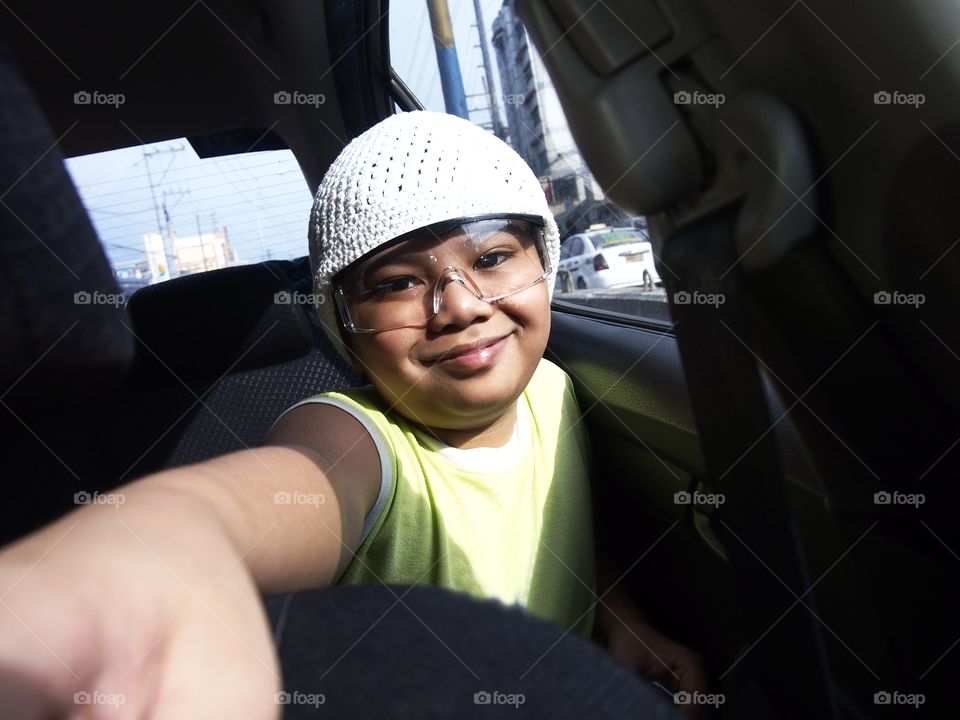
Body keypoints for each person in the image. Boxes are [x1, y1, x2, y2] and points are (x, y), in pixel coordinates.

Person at [0, 111, 706, 718]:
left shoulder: (552, 389)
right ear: (348, 329)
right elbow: (279, 492)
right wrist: (153, 554)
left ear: (543, 265)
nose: (459, 305)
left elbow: (563, 530)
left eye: (492, 258)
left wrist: (624, 619)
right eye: (398, 283)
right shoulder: (358, 440)